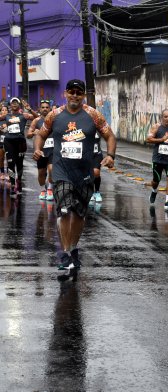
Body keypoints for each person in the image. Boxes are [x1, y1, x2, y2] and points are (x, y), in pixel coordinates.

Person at [33, 79, 116, 281]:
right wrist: (38, 148)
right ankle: (65, 254)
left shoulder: (93, 115)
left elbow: (110, 136)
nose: (75, 96)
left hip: (84, 173)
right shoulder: (55, 115)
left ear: (83, 96)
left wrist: (111, 155)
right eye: (72, 92)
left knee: (78, 215)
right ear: (66, 93)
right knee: (65, 210)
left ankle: (72, 249)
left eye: (79, 93)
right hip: (62, 171)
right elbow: (41, 134)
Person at [0, 97, 38, 198]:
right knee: (11, 163)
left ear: (19, 105)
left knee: (19, 164)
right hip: (9, 141)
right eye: (13, 102)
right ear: (10, 105)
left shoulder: (24, 115)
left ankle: (19, 181)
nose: (15, 104)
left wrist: (29, 109)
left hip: (20, 142)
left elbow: (37, 117)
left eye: (16, 102)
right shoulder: (6, 116)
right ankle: (13, 185)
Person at [146, 109, 168, 210]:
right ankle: (154, 190)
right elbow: (148, 139)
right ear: (162, 117)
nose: (167, 118)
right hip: (157, 159)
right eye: (165, 116)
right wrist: (161, 140)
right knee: (156, 180)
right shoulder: (156, 127)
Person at [27, 100, 54, 201]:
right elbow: (28, 135)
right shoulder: (36, 121)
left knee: (52, 169)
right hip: (41, 151)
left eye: (47, 107)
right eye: (43, 107)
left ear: (50, 109)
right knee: (41, 173)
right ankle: (43, 189)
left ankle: (50, 189)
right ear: (40, 109)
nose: (45, 109)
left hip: (53, 149)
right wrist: (34, 133)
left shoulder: (54, 120)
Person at [90, 131, 103, 203]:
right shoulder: (82, 125)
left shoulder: (98, 126)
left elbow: (108, 136)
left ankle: (97, 192)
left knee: (96, 172)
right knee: (87, 173)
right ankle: (90, 192)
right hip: (86, 154)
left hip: (97, 153)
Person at [0, 104, 8, 181]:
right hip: (1, 141)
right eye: (3, 110)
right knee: (1, 158)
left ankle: (8, 173)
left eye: (6, 110)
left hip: (9, 141)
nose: (4, 111)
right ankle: (2, 172)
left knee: (9, 159)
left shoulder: (9, 119)